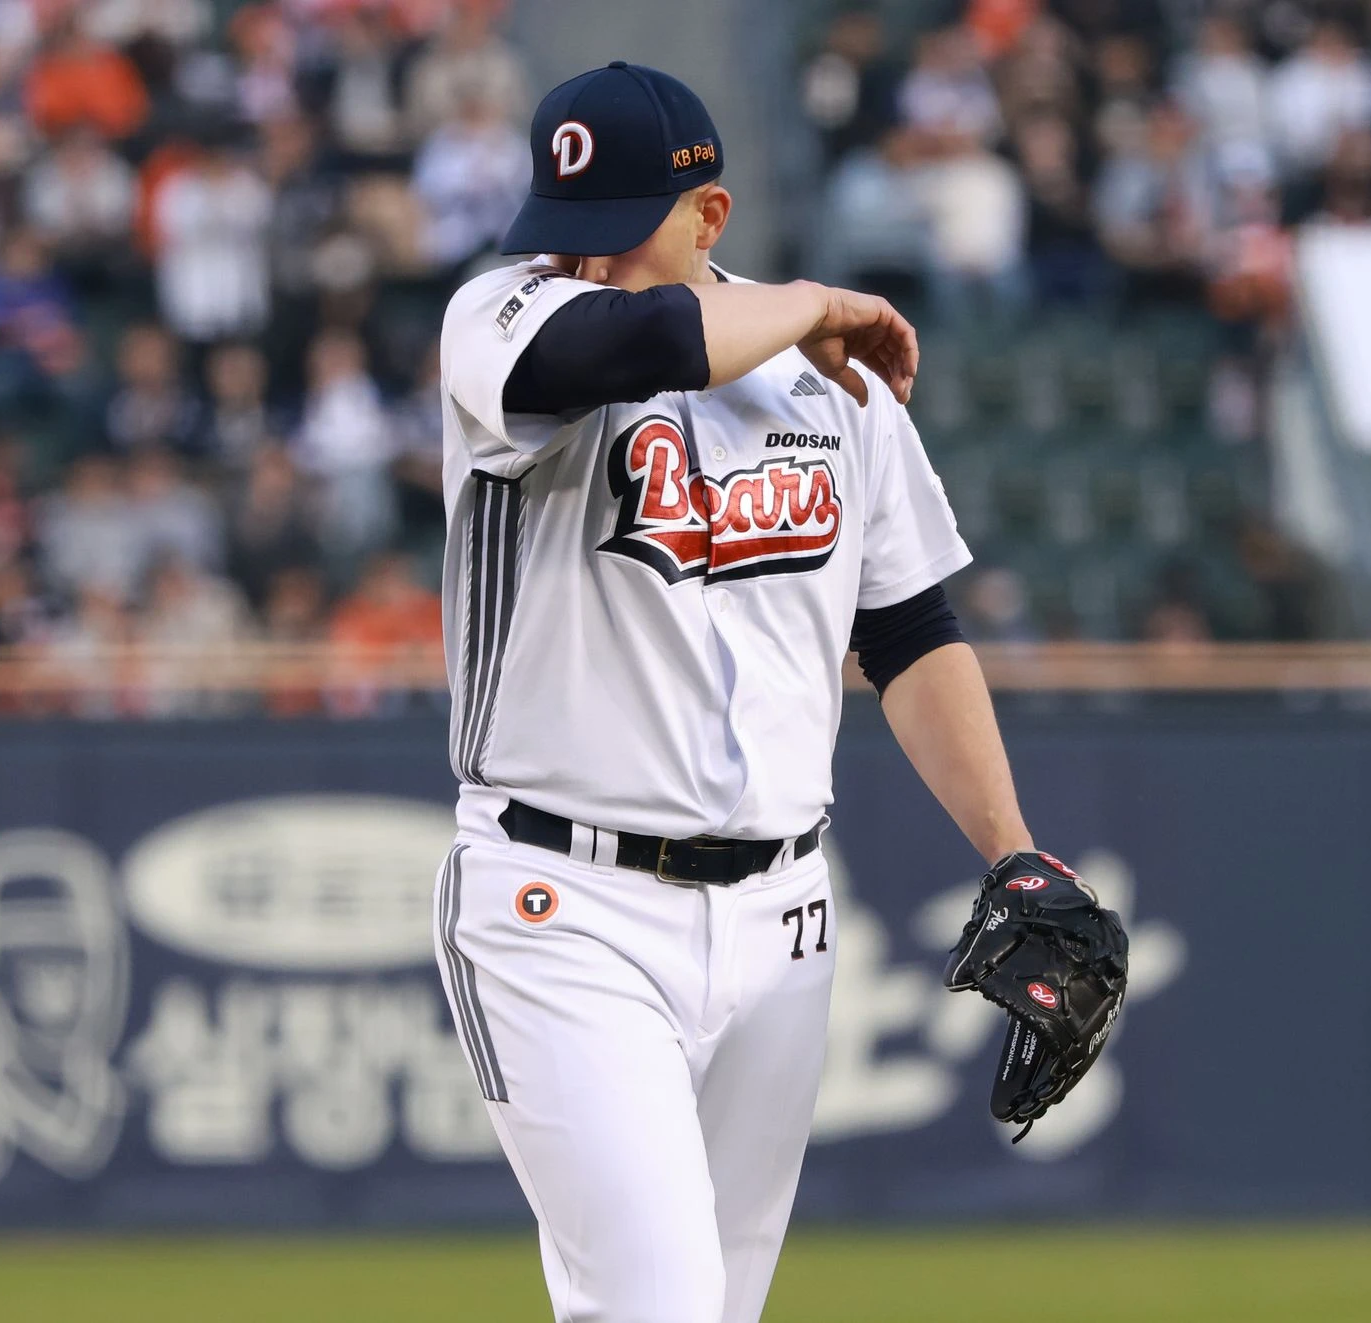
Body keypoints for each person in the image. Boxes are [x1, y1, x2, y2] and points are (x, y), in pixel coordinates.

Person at [433, 63, 1127, 1323]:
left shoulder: (831, 388)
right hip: (562, 904)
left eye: (616, 227)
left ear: (710, 216)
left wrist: (1012, 851)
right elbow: (642, 343)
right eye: (567, 224)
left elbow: (909, 632)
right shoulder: (504, 313)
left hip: (783, 918)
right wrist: (813, 300)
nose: (583, 257)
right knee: (656, 1304)